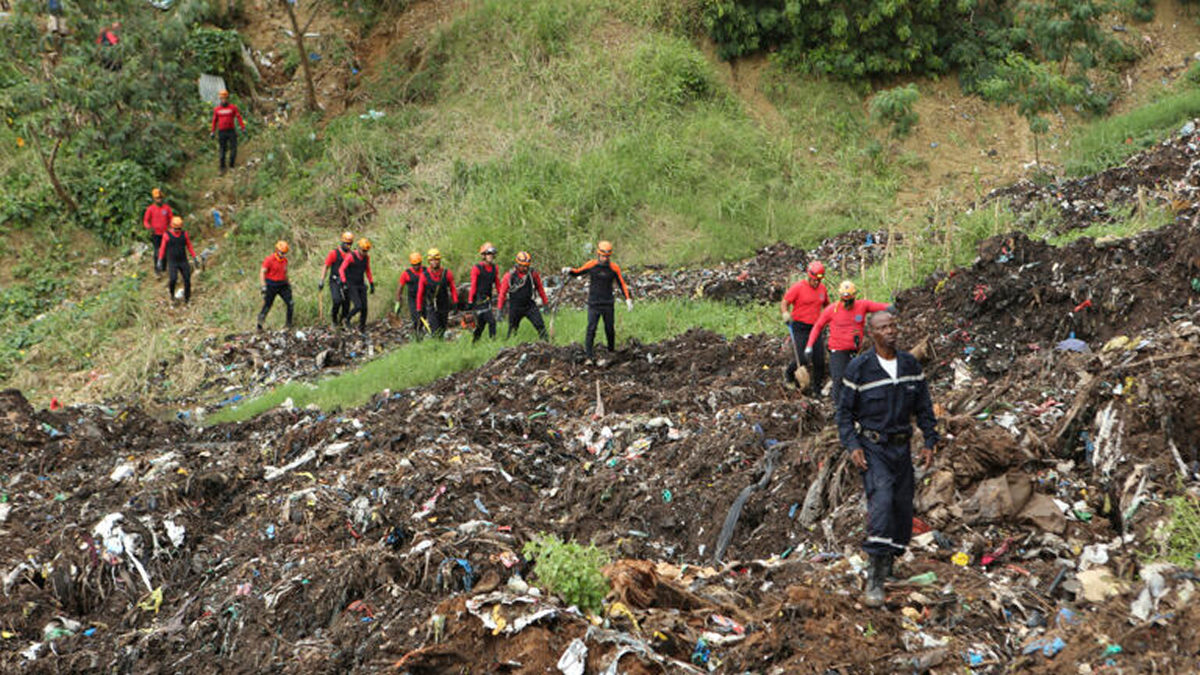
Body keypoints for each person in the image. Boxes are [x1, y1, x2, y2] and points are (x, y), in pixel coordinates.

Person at [838, 311, 939, 607]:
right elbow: (844, 413)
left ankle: (889, 566)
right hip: (873, 449)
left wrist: (930, 440)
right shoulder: (860, 369)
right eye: (883, 328)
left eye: (893, 326)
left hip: (901, 448)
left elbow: (924, 406)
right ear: (872, 334)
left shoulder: (909, 365)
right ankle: (874, 578)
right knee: (881, 503)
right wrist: (852, 444)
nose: (890, 332)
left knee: (901, 508)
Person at [805, 280, 891, 414]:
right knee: (839, 379)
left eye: (849, 301)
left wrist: (891, 307)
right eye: (844, 300)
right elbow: (818, 326)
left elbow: (878, 306)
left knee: (859, 378)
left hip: (855, 350)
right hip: (837, 350)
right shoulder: (831, 310)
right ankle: (840, 410)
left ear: (854, 297)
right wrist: (809, 346)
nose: (847, 304)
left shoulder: (862, 305)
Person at [562, 240, 631, 365]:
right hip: (594, 303)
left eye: (607, 256)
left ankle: (611, 352)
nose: (605, 258)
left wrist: (628, 299)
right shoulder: (591, 265)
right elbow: (578, 271)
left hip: (608, 303)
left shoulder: (614, 268)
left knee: (609, 329)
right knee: (591, 328)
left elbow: (622, 283)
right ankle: (589, 356)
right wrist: (569, 270)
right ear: (598, 254)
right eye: (603, 256)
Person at [781, 260, 830, 396]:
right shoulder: (798, 287)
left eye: (818, 280)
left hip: (816, 328)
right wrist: (785, 313)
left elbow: (827, 305)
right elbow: (785, 302)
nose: (816, 283)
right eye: (814, 280)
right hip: (800, 327)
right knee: (802, 359)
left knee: (819, 360)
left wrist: (828, 317)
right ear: (809, 276)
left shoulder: (822, 289)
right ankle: (789, 375)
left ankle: (816, 389)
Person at [498, 251, 550, 340]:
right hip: (515, 307)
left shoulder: (532, 274)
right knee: (512, 331)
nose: (525, 268)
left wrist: (545, 304)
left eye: (527, 266)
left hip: (529, 305)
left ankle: (546, 343)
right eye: (522, 266)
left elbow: (540, 289)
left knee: (540, 326)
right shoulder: (509, 276)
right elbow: (502, 294)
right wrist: (499, 311)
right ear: (517, 264)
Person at [416, 248, 457, 338]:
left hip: (444, 305)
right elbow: (420, 293)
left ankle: (441, 347)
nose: (434, 262)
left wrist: (455, 302)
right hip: (431, 307)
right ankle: (435, 344)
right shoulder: (424, 276)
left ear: (440, 260)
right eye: (432, 260)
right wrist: (419, 309)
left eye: (436, 260)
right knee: (435, 330)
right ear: (429, 261)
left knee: (442, 329)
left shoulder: (447, 273)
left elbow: (453, 289)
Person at [156, 216, 198, 304]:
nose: (177, 230)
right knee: (173, 279)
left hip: (183, 260)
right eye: (175, 229)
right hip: (172, 262)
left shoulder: (184, 234)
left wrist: (194, 257)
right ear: (172, 227)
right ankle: (171, 295)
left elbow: (189, 246)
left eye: (179, 228)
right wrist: (160, 260)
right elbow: (162, 248)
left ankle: (187, 298)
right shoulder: (167, 235)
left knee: (187, 279)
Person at [339, 238, 376, 333]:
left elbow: (368, 270)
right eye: (363, 251)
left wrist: (371, 283)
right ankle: (346, 319)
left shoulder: (366, 258)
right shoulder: (351, 256)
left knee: (365, 308)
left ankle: (362, 328)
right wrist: (343, 282)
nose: (365, 253)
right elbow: (341, 269)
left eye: (366, 251)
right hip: (351, 285)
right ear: (359, 248)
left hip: (361, 284)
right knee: (358, 305)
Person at [320, 231, 354, 326]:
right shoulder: (334, 253)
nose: (348, 246)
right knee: (337, 300)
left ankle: (343, 321)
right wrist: (322, 280)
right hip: (335, 281)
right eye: (347, 244)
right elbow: (326, 266)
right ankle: (334, 320)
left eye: (350, 244)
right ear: (342, 242)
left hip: (346, 281)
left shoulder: (351, 255)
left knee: (346, 303)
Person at [258, 241, 293, 330]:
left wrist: (288, 283)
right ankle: (259, 325)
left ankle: (288, 325)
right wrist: (263, 286)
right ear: (277, 250)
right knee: (267, 305)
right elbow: (262, 272)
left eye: (285, 253)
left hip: (283, 285)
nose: (283, 255)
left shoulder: (285, 261)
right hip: (271, 285)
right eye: (281, 253)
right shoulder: (269, 260)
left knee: (290, 304)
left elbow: (285, 272)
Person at [468, 242, 499, 342]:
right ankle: (493, 342)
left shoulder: (495, 268)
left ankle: (474, 343)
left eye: (491, 254)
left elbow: (498, 284)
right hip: (479, 300)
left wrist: (502, 295)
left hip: (488, 299)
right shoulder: (476, 268)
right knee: (492, 322)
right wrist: (470, 302)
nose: (490, 256)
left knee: (481, 325)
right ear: (483, 255)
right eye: (488, 254)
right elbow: (473, 285)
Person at [210, 90, 246, 174]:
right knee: (222, 149)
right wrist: (212, 131)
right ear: (220, 99)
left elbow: (238, 117)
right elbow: (214, 121)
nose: (223, 100)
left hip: (231, 131)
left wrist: (242, 127)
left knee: (233, 148)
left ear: (227, 98)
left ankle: (231, 165)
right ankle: (222, 167)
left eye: (225, 98)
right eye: (222, 98)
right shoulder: (217, 110)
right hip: (222, 132)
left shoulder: (233, 108)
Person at [142, 188, 173, 274]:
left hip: (166, 234)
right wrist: (149, 227)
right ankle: (157, 270)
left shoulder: (166, 208)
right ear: (154, 199)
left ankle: (164, 268)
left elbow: (171, 219)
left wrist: (171, 227)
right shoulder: (150, 209)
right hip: (155, 234)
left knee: (167, 251)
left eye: (160, 198)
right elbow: (145, 221)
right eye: (157, 198)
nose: (159, 200)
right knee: (157, 252)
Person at [395, 252, 425, 338]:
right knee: (415, 316)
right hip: (413, 298)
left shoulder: (425, 270)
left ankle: (423, 330)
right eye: (414, 265)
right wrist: (398, 300)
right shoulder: (406, 274)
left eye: (418, 264)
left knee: (425, 315)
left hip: (424, 296)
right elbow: (400, 287)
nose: (417, 267)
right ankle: (417, 332)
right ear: (411, 264)